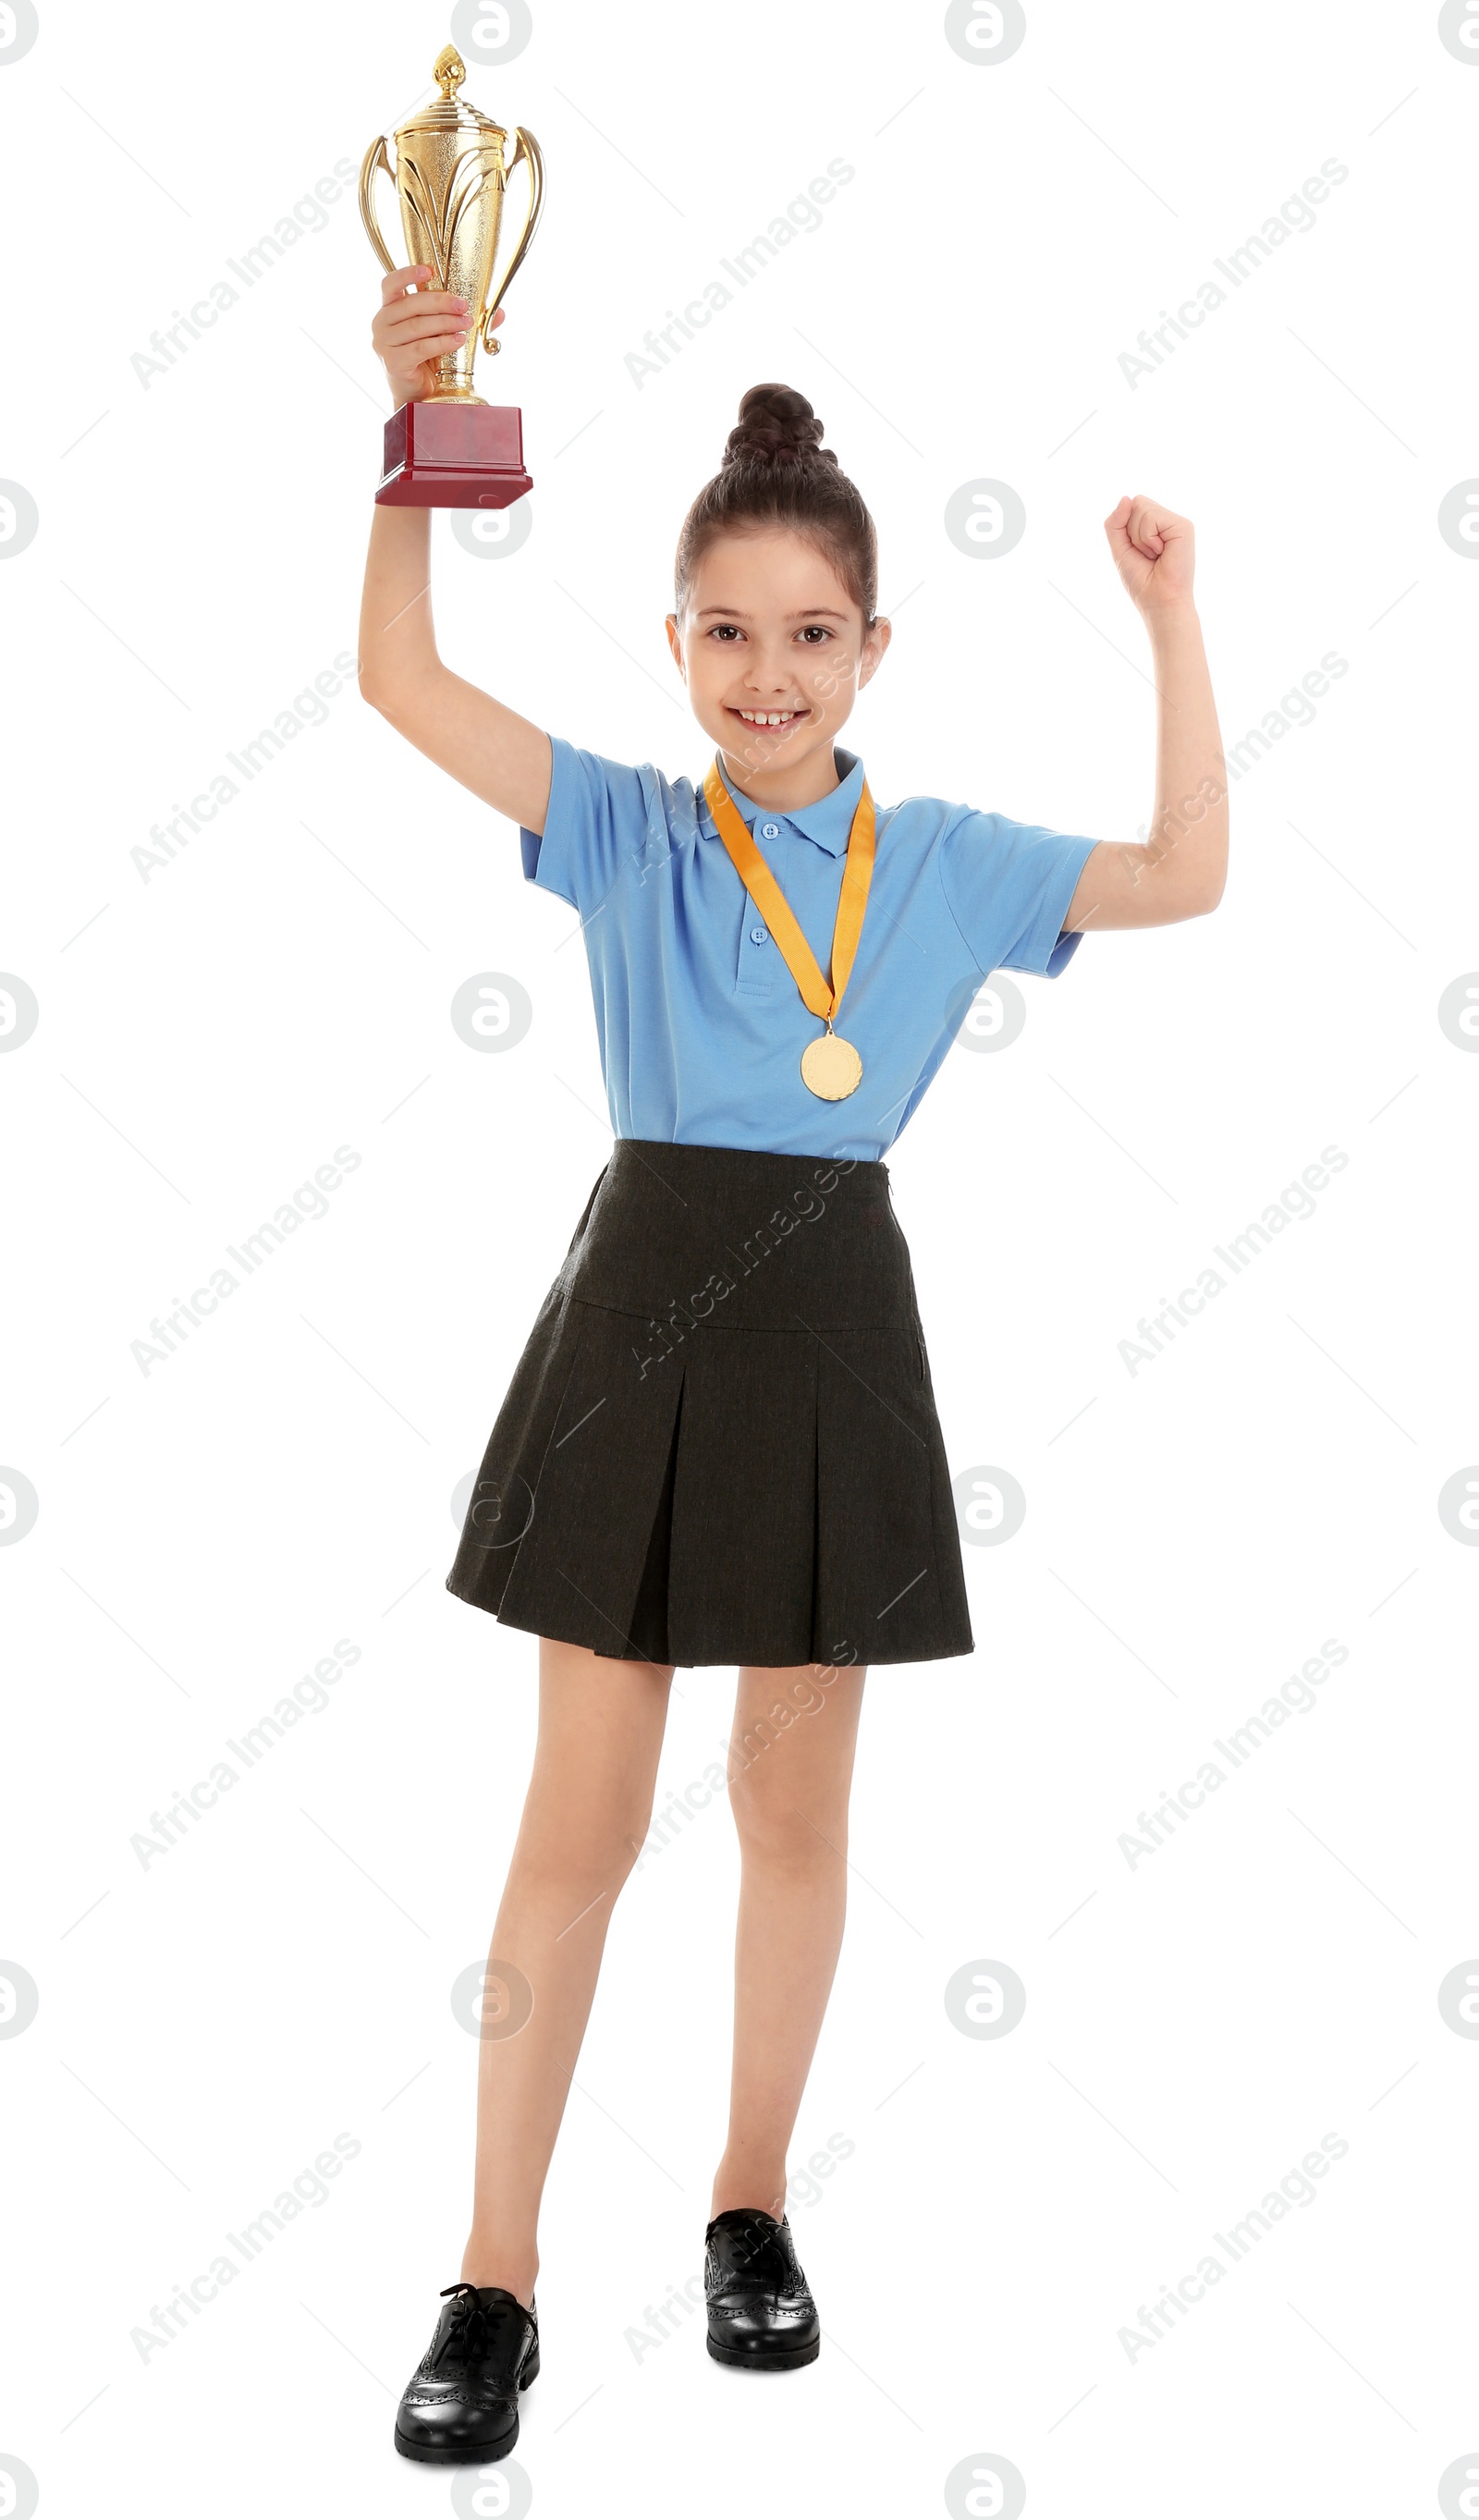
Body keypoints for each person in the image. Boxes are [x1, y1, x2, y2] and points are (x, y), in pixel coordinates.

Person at [357, 264, 1228, 2467]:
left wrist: (1165, 618)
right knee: (585, 1811)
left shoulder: (934, 865)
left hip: (837, 1313)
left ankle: (747, 2202)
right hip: (638, 1295)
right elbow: (392, 675)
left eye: (809, 633)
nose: (765, 674)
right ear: (675, 648)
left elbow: (1186, 871)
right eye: (723, 633)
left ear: (870, 648)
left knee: (791, 1799)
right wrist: (407, 442)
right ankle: (494, 2273)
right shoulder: (638, 828)